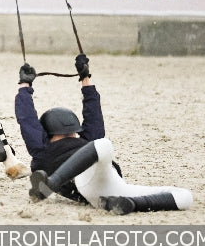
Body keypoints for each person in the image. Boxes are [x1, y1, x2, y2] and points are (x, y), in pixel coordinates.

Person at [14, 54, 193, 215]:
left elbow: (93, 118)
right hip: (82, 181)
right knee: (103, 144)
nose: (72, 136)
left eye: (73, 134)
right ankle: (49, 184)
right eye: (68, 134)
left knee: (185, 197)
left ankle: (130, 203)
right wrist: (24, 87)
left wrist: (85, 77)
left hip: (108, 188)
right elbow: (27, 120)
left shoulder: (84, 143)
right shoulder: (44, 149)